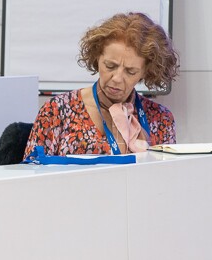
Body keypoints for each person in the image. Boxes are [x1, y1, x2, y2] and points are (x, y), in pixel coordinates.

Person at [23, 12, 178, 158]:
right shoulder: (57, 110)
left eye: (130, 72)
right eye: (110, 66)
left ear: (147, 71)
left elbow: (169, 174)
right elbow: (30, 172)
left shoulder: (161, 119)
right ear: (97, 58)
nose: (117, 78)